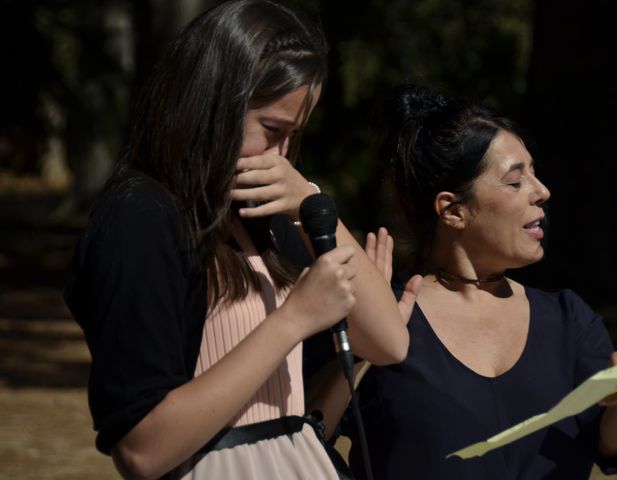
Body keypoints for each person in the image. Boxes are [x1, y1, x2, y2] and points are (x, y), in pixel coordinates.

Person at [64, 2, 412, 479]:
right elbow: (141, 451)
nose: (282, 155)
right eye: (272, 130)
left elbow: (389, 342)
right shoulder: (141, 218)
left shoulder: (258, 217)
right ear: (212, 104)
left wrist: (307, 200)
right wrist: (294, 319)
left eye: (295, 136)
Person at [346, 84, 617, 479]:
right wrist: (363, 345)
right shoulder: (384, 318)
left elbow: (609, 447)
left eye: (535, 174)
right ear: (453, 210)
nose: (543, 192)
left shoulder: (570, 321)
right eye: (515, 182)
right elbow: (308, 431)